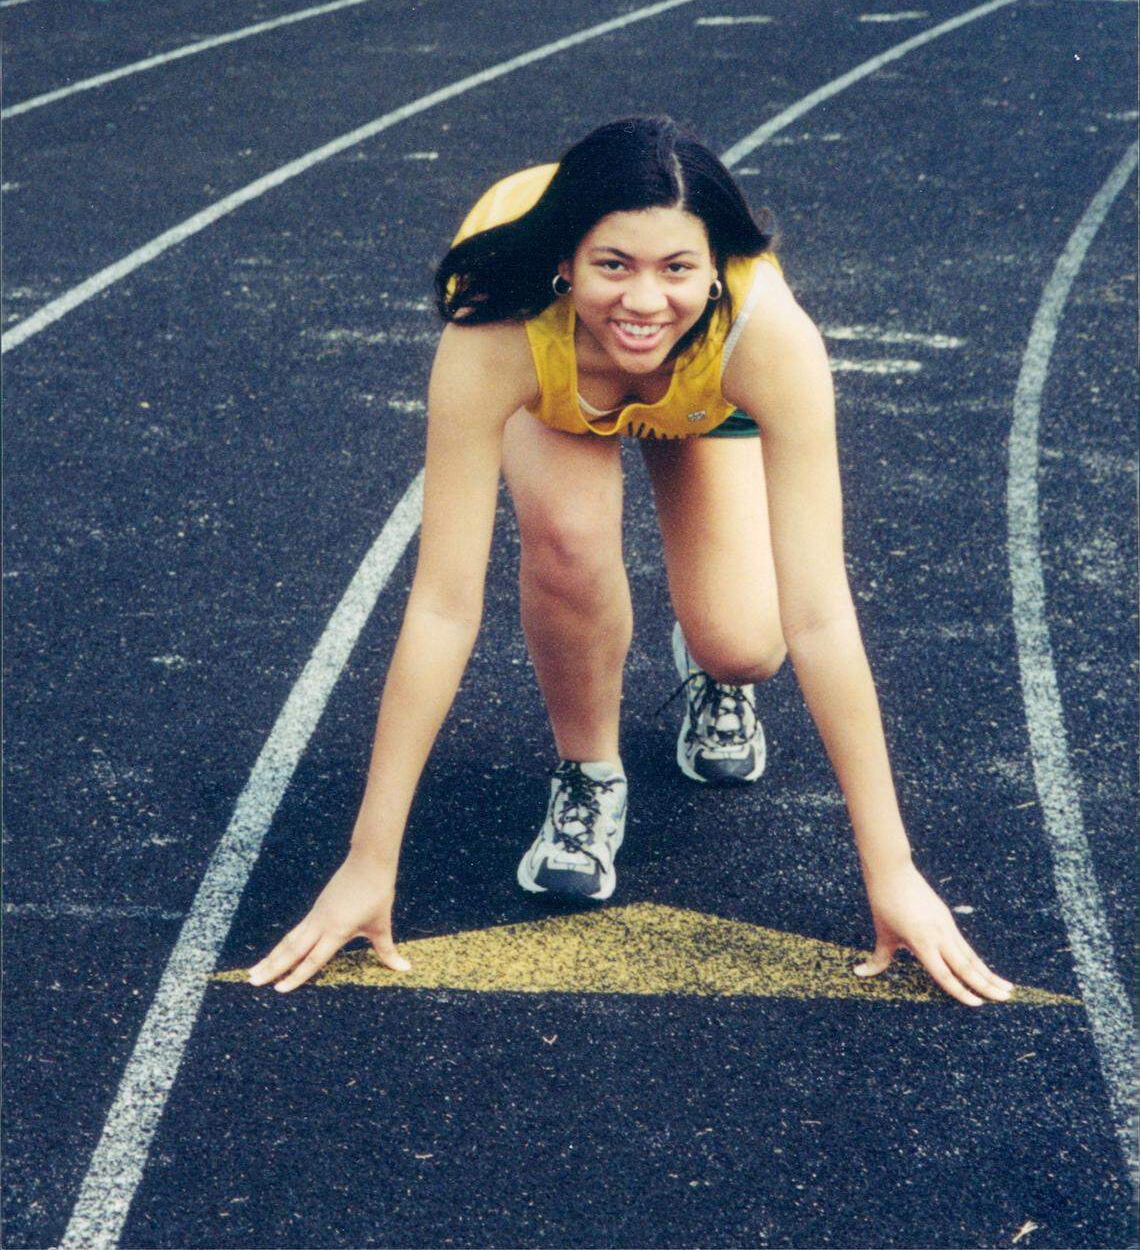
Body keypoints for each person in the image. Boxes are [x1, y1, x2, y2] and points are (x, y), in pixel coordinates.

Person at [250, 117, 1011, 1005]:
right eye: (615, 263)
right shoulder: (495, 325)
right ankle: (588, 776)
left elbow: (822, 614)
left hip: (702, 393)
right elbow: (443, 607)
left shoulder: (767, 334)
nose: (645, 300)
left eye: (676, 268)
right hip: (561, 380)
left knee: (746, 645)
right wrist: (366, 862)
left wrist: (894, 873)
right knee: (568, 545)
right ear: (568, 261)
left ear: (716, 266)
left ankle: (711, 674)